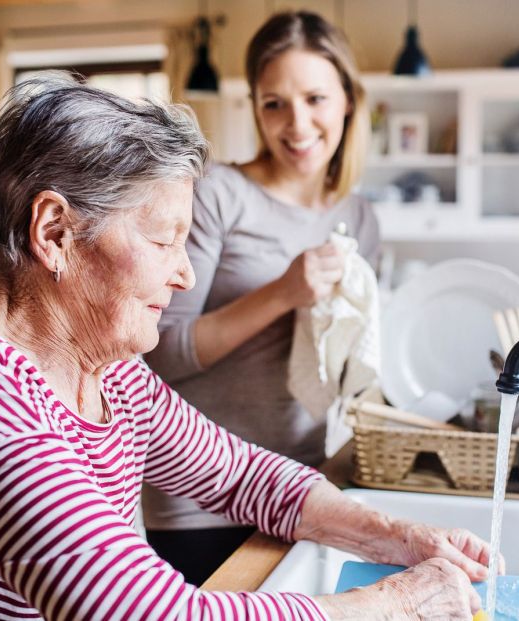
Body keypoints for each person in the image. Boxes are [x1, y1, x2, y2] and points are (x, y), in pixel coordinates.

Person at [0, 74, 499, 620]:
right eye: (162, 240)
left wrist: (400, 537)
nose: (186, 275)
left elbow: (246, 477)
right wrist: (394, 607)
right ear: (56, 232)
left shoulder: (113, 373)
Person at [142, 10, 381, 583]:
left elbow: (351, 351)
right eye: (274, 102)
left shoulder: (358, 216)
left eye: (316, 99)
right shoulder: (218, 195)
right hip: (199, 497)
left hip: (304, 482)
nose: (296, 124)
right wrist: (282, 293)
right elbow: (158, 354)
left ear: (348, 101)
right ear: (254, 108)